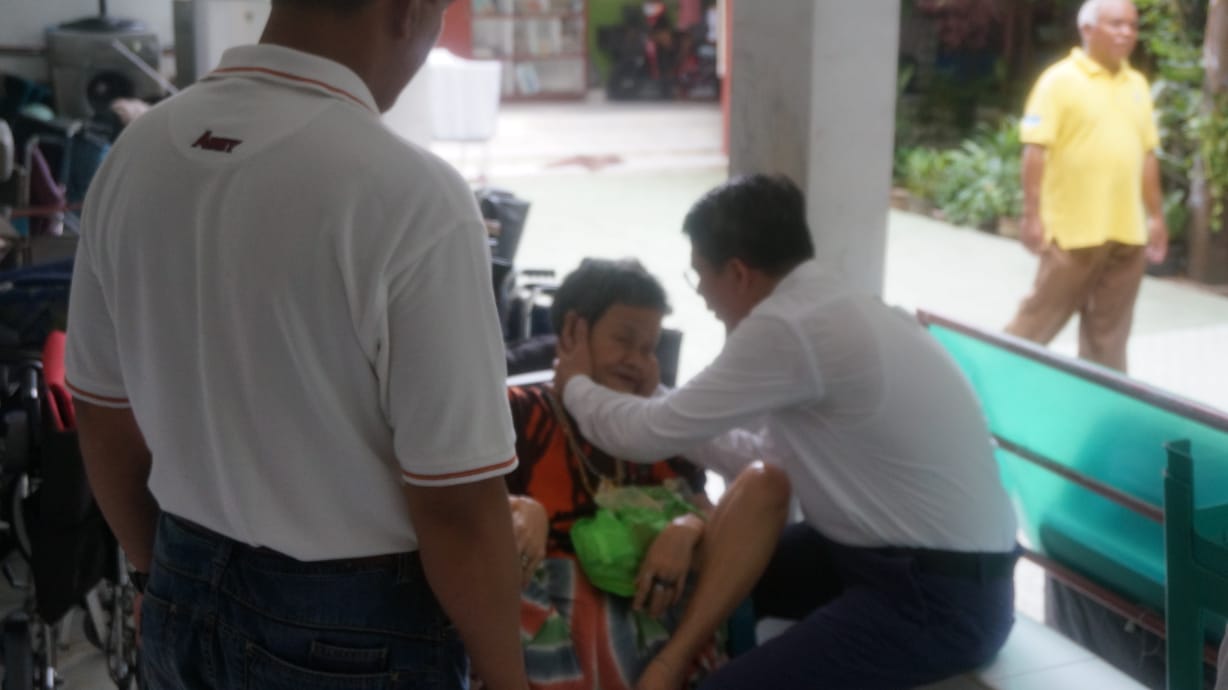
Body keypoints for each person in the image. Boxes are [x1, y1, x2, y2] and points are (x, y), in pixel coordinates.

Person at [65, 1, 529, 688]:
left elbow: (102, 413)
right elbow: (457, 506)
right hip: (355, 633)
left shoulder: (135, 155)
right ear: (409, 11)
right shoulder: (412, 194)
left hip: (179, 585)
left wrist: (153, 574)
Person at [554, 175, 1020, 688]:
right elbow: (761, 455)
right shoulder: (834, 307)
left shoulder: (789, 326)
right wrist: (654, 396)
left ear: (737, 273)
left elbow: (645, 436)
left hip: (936, 598)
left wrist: (574, 383)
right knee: (702, 584)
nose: (702, 295)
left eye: (699, 275)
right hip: (878, 560)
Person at [502, 258, 791, 690]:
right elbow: (460, 511)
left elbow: (712, 513)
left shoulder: (658, 427)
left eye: (649, 348)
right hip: (552, 624)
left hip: (652, 615)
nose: (636, 360)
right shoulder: (520, 413)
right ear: (572, 332)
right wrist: (520, 508)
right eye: (624, 340)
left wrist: (688, 526)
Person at [1006, 0, 1166, 373]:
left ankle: (1101, 400)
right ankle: (987, 383)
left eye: (1132, 26)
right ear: (1087, 29)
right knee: (1035, 323)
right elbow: (1035, 151)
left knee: (1109, 339)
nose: (1127, 33)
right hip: (1072, 233)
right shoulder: (1058, 81)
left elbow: (1147, 155)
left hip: (1127, 234)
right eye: (1116, 24)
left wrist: (1156, 216)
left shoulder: (1137, 85)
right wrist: (1031, 215)